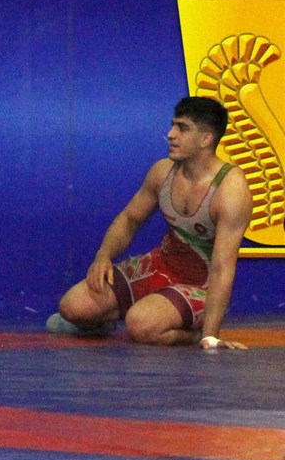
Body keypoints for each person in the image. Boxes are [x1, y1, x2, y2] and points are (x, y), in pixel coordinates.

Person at [47, 96, 252, 350]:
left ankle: (193, 333)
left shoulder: (230, 189)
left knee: (140, 325)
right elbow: (129, 220)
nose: (171, 134)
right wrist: (103, 256)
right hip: (159, 266)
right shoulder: (162, 172)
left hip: (200, 285)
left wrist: (211, 336)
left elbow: (222, 268)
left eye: (182, 128)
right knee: (72, 307)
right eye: (173, 125)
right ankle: (110, 319)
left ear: (205, 139)